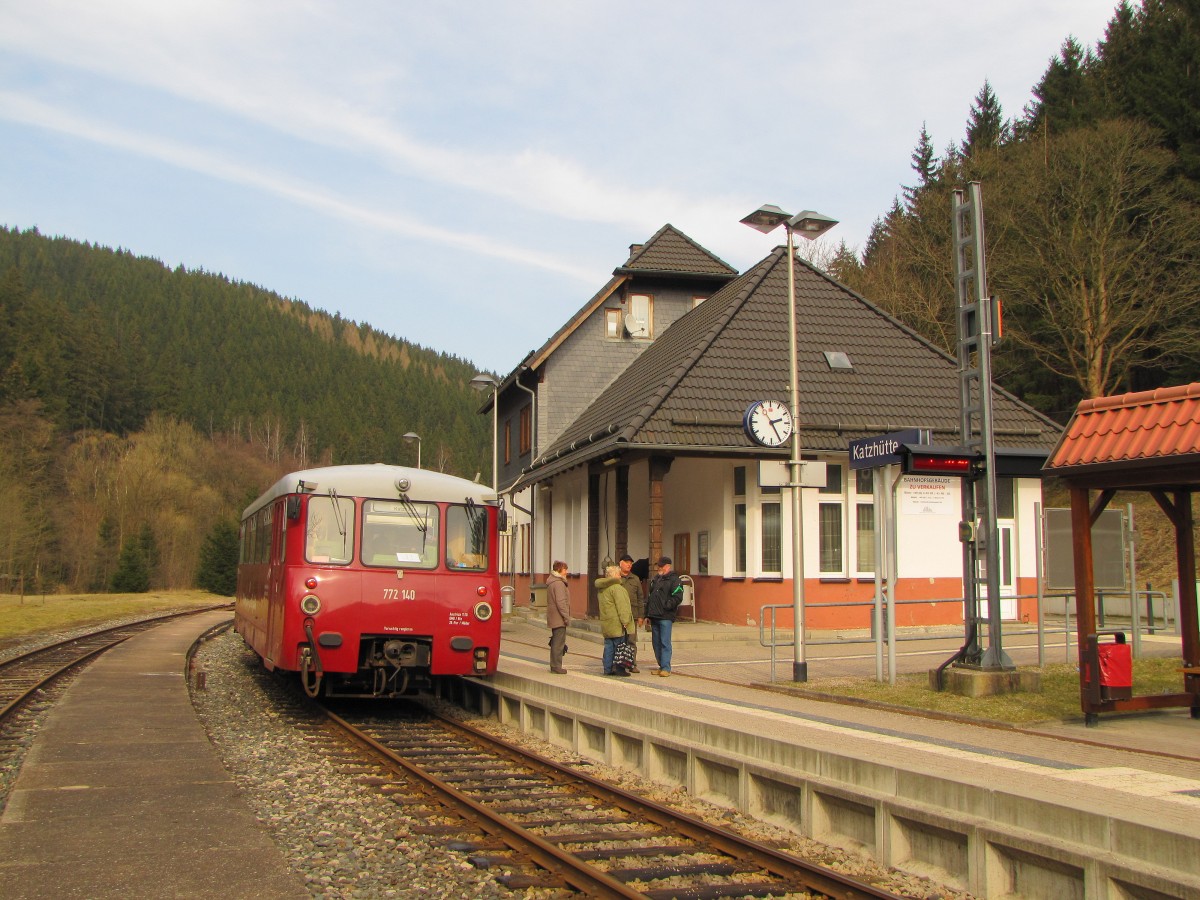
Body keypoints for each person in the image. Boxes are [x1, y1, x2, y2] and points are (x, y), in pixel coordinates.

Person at [646, 556, 684, 676]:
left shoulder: (675, 580)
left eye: (661, 566)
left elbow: (678, 597)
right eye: (658, 566)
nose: (659, 568)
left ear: (668, 566)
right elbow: (650, 597)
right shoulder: (655, 579)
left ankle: (666, 668)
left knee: (664, 643)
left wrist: (666, 606)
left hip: (666, 616)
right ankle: (661, 665)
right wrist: (647, 614)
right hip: (654, 616)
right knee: (656, 643)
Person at [596, 564, 635, 676]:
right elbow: (623, 607)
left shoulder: (602, 589)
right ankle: (619, 669)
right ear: (615, 575)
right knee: (620, 647)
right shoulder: (617, 588)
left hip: (607, 622)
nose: (620, 576)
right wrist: (625, 621)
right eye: (618, 574)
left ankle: (607, 668)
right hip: (617, 624)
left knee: (609, 646)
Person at [618, 554, 644, 673]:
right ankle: (619, 664)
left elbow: (640, 598)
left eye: (630, 563)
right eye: (627, 562)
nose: (629, 565)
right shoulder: (616, 577)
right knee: (619, 641)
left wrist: (641, 616)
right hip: (618, 616)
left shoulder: (635, 579)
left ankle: (632, 664)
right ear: (620, 563)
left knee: (631, 641)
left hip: (633, 616)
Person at [546, 561, 571, 674]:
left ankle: (555, 665)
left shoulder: (552, 582)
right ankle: (556, 665)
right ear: (559, 570)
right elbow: (561, 602)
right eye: (565, 569)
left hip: (554, 615)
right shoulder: (559, 583)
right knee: (558, 642)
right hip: (558, 617)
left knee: (556, 640)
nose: (567, 572)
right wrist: (566, 617)